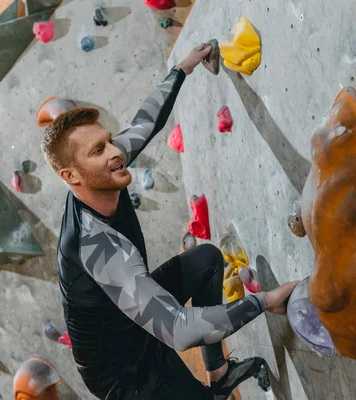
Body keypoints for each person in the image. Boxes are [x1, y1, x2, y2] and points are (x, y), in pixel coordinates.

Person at [41, 43, 298, 399]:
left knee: (207, 261)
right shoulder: (95, 243)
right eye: (99, 150)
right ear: (71, 177)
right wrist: (265, 302)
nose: (117, 153)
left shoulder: (104, 171)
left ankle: (219, 374)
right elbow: (177, 329)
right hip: (121, 372)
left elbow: (146, 122)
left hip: (129, 317)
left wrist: (183, 67)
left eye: (109, 141)